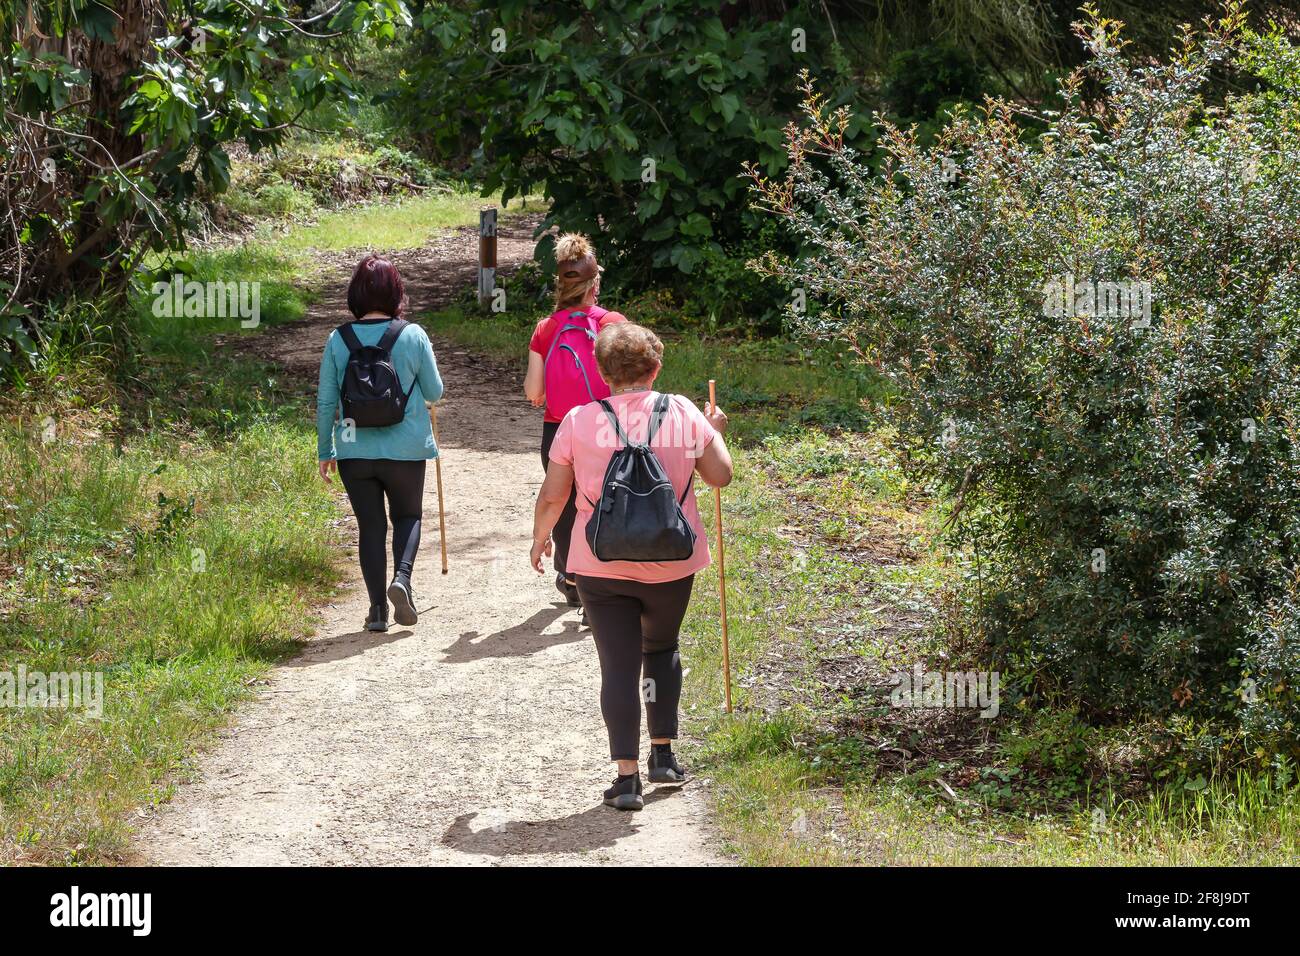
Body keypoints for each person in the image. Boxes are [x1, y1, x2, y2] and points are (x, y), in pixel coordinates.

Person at [530, 322, 733, 811]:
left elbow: (555, 494)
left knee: (618, 666)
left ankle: (626, 780)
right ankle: (663, 756)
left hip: (600, 564)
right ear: (655, 368)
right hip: (671, 560)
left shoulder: (578, 420)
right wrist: (714, 432)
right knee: (661, 648)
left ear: (603, 374)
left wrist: (540, 538)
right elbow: (720, 476)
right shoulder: (682, 412)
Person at [317, 255, 444, 633]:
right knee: (408, 516)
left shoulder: (338, 339)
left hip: (354, 449)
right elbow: (434, 391)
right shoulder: (413, 335)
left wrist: (326, 451)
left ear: (355, 293)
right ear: (396, 292)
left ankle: (376, 612)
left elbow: (326, 401)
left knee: (370, 527)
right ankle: (402, 579)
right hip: (406, 449)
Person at [523, 233, 626, 608]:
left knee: (565, 504)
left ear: (560, 285)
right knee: (606, 501)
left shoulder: (546, 328)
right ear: (595, 284)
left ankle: (571, 578)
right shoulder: (612, 323)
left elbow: (533, 391)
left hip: (558, 429)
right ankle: (601, 580)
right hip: (606, 425)